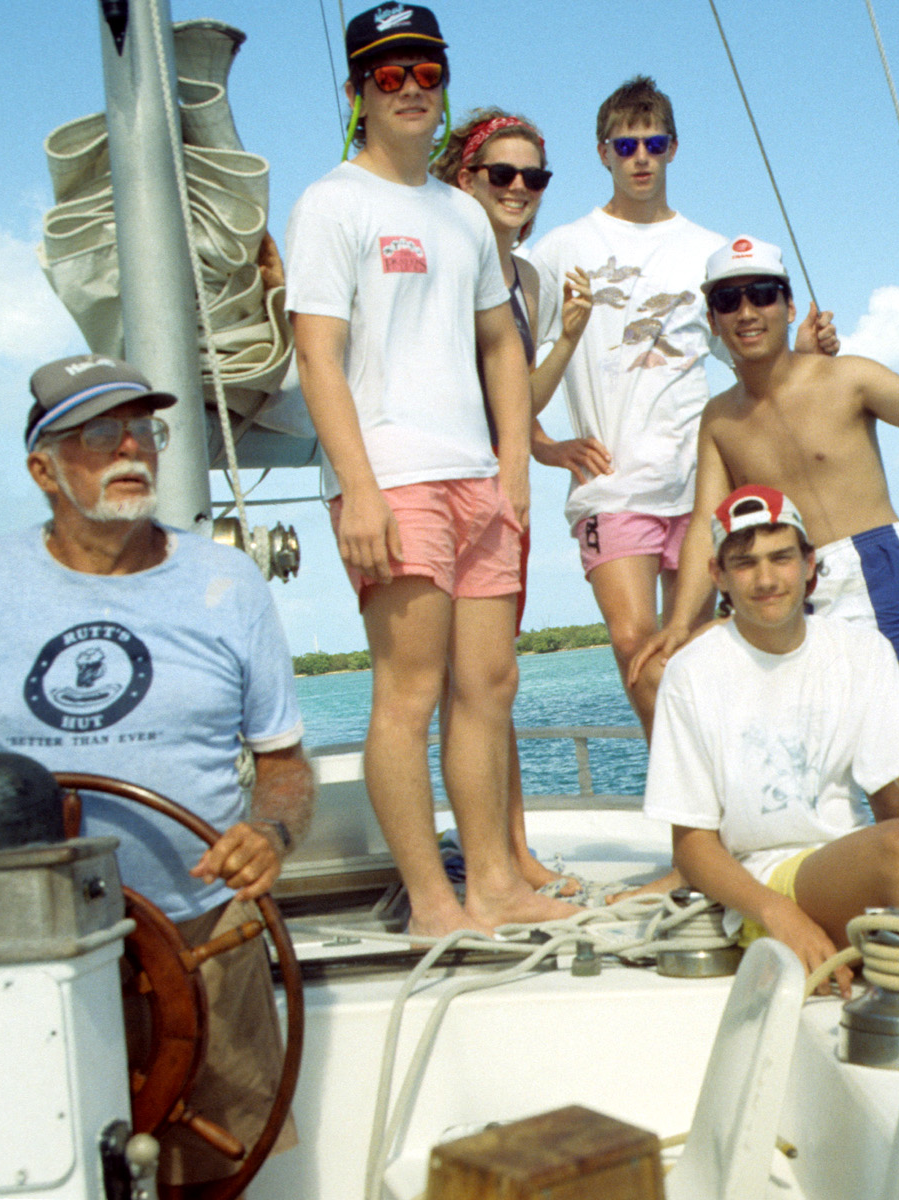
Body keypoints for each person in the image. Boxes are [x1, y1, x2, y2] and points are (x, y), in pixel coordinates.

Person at [0, 353, 313, 1196]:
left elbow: (284, 767)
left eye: (144, 429)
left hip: (199, 936)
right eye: (99, 432)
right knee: (28, 1168)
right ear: (42, 469)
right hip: (20, 941)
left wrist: (268, 832)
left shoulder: (227, 582)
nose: (132, 447)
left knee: (212, 1179)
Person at [285, 2, 574, 936]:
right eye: (389, 74)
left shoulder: (461, 214)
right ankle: (434, 901)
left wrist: (514, 467)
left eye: (427, 72)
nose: (411, 89)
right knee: (408, 694)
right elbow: (317, 356)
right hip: (394, 477)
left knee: (490, 687)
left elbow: (499, 344)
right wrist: (359, 489)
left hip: (477, 478)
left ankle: (495, 884)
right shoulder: (333, 203)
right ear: (357, 91)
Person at [643, 485, 899, 1044]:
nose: (766, 578)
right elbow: (692, 846)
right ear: (718, 575)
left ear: (810, 565)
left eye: (782, 557)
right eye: (745, 563)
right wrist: (777, 913)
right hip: (767, 876)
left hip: (851, 864)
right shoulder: (692, 673)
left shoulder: (860, 650)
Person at [524, 78, 836, 735]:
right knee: (635, 646)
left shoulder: (707, 252)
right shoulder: (561, 250)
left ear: (673, 148)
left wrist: (802, 353)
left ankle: (701, 783)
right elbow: (507, 364)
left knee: (693, 650)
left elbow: (748, 356)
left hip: (701, 482)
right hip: (613, 483)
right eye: (625, 145)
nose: (640, 157)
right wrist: (543, 445)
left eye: (654, 143)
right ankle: (695, 784)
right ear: (603, 153)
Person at [633, 235, 899, 718]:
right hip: (782, 584)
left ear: (789, 306)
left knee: (889, 748)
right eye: (728, 301)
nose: (747, 312)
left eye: (762, 295)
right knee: (794, 742)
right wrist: (679, 623)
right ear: (713, 320)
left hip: (871, 570)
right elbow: (704, 529)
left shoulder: (847, 378)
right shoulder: (719, 418)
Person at [429, 108, 593, 898]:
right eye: (503, 173)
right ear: (464, 177)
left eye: (535, 176)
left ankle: (514, 853)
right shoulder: (439, 262)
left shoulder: (525, 280)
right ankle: (487, 856)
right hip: (443, 483)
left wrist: (567, 342)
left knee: (495, 680)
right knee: (462, 683)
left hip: (503, 490)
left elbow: (517, 399)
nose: (520, 187)